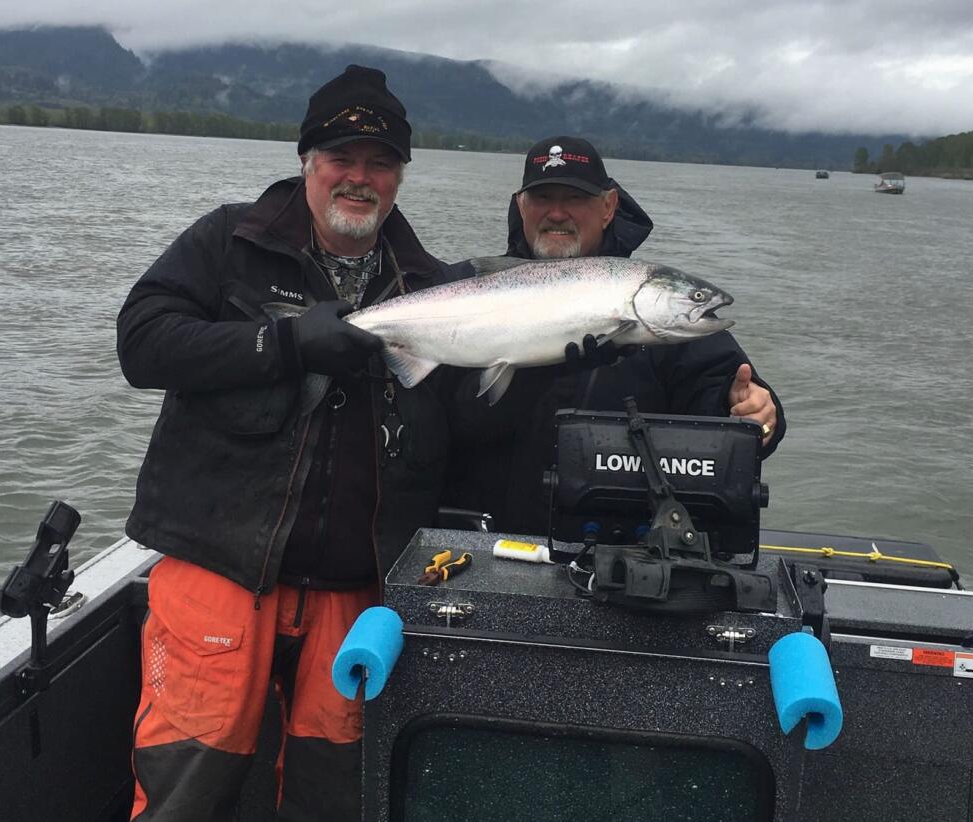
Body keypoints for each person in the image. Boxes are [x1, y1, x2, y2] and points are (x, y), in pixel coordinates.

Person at [117, 65, 449, 821]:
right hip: (219, 567)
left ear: (399, 176)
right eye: (341, 157)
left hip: (355, 588)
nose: (359, 178)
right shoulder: (226, 240)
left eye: (381, 162)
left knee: (335, 797)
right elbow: (141, 344)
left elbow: (485, 416)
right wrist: (286, 343)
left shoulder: (427, 284)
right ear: (306, 161)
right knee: (184, 788)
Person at [445, 135, 786, 535]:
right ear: (521, 206)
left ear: (608, 207)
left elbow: (724, 396)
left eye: (574, 198)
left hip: (616, 555)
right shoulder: (464, 292)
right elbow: (428, 418)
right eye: (542, 198)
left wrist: (756, 413)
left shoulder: (657, 306)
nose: (557, 213)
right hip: (487, 544)